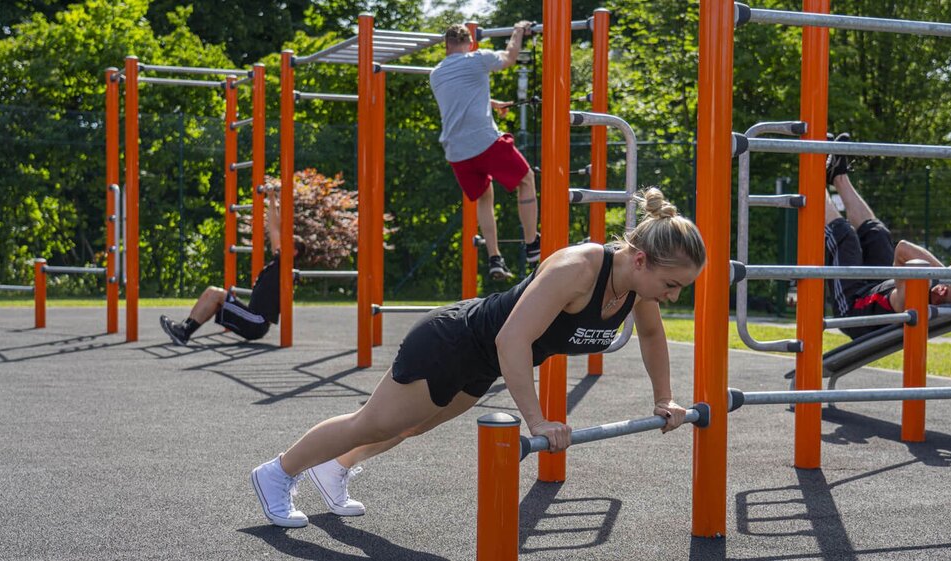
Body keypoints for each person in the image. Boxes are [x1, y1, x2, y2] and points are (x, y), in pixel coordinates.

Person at [250, 188, 705, 528]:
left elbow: (651, 338)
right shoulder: (580, 269)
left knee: (412, 426)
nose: (673, 295)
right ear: (642, 259)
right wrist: (539, 422)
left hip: (483, 362)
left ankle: (335, 466)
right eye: (673, 285)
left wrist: (665, 398)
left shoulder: (635, 288)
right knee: (373, 422)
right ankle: (278, 472)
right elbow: (512, 341)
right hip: (452, 342)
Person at [824, 133, 951, 340]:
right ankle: (837, 176)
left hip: (854, 307)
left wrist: (944, 273)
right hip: (878, 287)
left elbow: (903, 248)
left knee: (845, 235)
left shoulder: (912, 299)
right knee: (877, 233)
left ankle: (813, 177)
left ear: (941, 290)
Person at [430, 22, 540, 281]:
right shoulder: (478, 59)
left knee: (484, 197)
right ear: (470, 44)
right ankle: (532, 244)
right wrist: (517, 30)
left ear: (446, 46)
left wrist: (491, 103)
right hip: (484, 143)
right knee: (526, 180)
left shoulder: (436, 74)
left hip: (457, 154)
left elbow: (459, 99)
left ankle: (494, 257)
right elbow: (511, 57)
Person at [160, 187, 302, 345]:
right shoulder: (279, 261)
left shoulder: (286, 266)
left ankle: (184, 332)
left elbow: (281, 226)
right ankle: (184, 330)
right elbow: (273, 228)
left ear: (294, 252)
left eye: (287, 242)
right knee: (211, 293)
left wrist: (282, 197)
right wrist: (272, 197)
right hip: (252, 317)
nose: (281, 243)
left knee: (216, 294)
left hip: (257, 322)